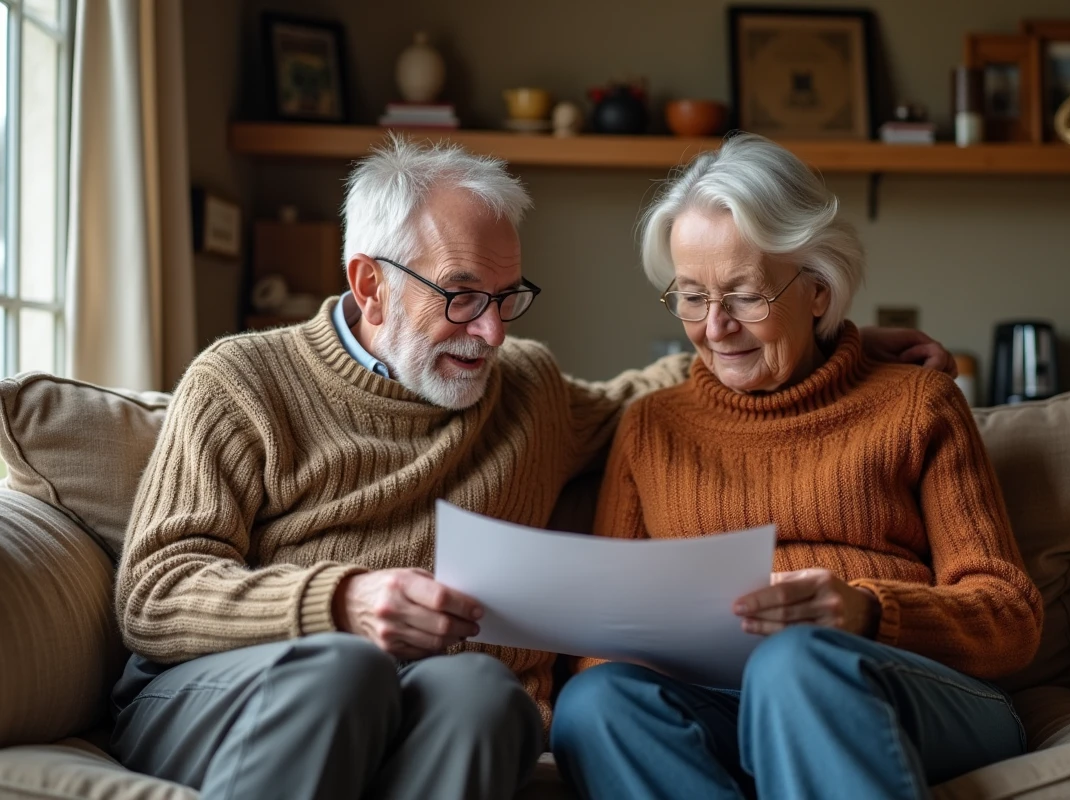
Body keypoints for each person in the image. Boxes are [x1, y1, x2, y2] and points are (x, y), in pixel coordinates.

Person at [111, 134, 958, 800]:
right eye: (461, 296)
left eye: (507, 298)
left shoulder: (526, 390)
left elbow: (669, 386)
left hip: (422, 695)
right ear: (369, 285)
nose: (491, 334)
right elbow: (153, 591)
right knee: (346, 667)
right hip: (234, 687)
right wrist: (340, 600)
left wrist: (825, 334)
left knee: (486, 697)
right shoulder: (242, 380)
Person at [549, 134, 1044, 800]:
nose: (715, 327)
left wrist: (866, 613)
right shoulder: (651, 427)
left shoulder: (917, 404)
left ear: (818, 290)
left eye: (743, 295)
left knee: (795, 662)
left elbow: (1010, 617)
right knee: (594, 703)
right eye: (692, 297)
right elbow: (605, 640)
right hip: (720, 701)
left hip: (904, 689)